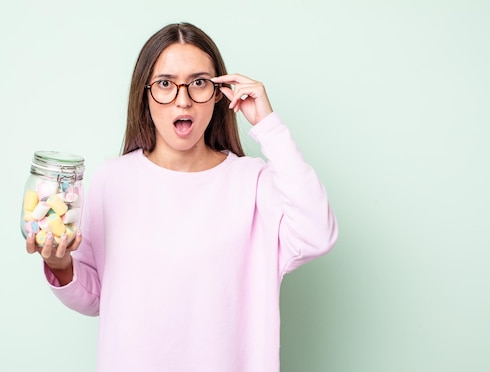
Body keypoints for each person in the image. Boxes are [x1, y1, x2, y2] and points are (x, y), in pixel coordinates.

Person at [25, 22, 338, 371]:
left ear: (219, 94)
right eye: (165, 84)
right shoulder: (112, 180)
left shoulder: (253, 181)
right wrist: (60, 266)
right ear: (145, 94)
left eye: (199, 83)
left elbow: (316, 236)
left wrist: (268, 124)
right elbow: (98, 295)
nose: (183, 99)